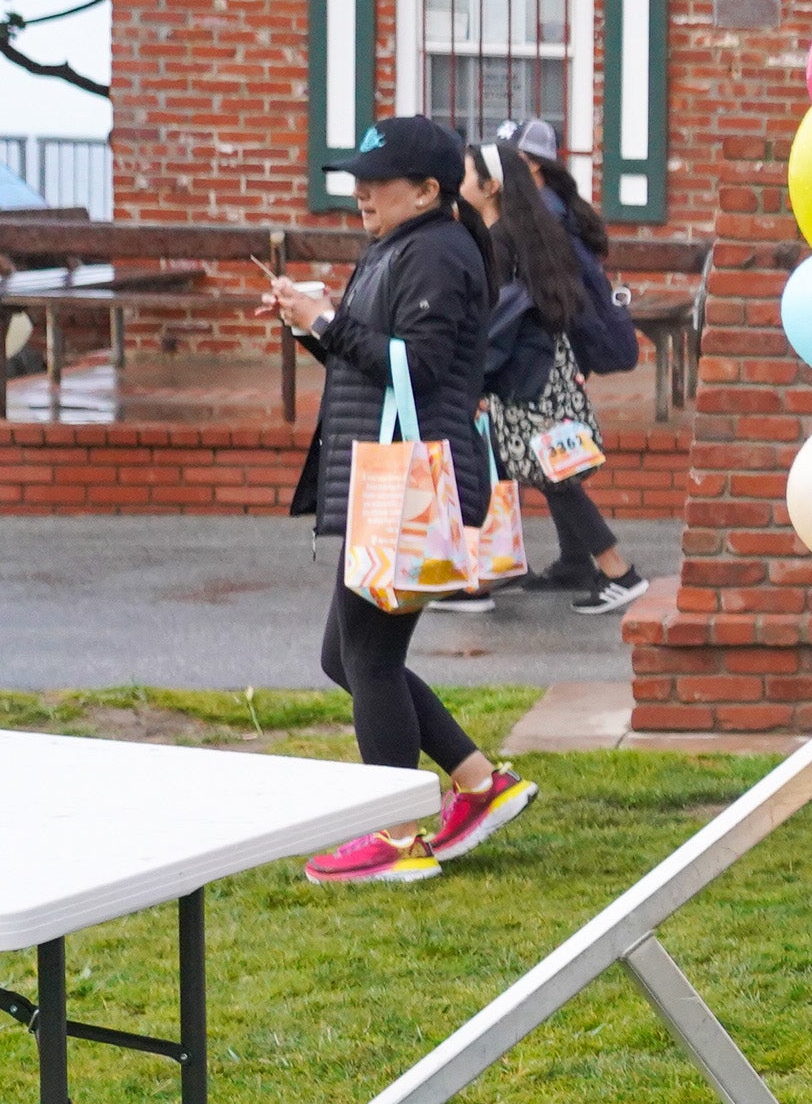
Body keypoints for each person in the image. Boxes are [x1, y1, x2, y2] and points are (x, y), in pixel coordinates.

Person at [263, 116, 537, 885]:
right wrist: (312, 327)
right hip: (378, 481)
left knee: (369, 659)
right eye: (357, 181)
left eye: (376, 183)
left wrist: (327, 320)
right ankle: (481, 781)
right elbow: (372, 358)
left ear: (426, 190)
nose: (361, 195)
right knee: (345, 656)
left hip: (402, 485)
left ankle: (396, 837)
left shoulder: (439, 253)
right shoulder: (404, 247)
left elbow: (415, 371)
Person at [444, 137, 650, 615]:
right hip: (541, 370)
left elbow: (495, 324)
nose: (458, 185)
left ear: (491, 186)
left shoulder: (499, 242)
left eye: (466, 176)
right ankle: (487, 579)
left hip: (521, 379)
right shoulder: (523, 234)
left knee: (549, 473)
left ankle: (619, 572)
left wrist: (475, 381)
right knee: (528, 469)